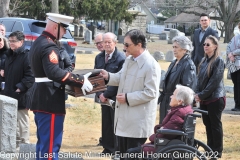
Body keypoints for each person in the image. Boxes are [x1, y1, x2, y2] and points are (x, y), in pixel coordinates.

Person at [28, 13, 93, 160]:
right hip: (49, 100)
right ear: (56, 26)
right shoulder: (49, 45)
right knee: (50, 149)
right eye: (64, 29)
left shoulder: (39, 41)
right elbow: (54, 72)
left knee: (43, 146)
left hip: (42, 99)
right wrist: (80, 80)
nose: (65, 32)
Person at [100, 29, 161, 159]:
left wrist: (128, 98)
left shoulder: (151, 65)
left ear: (139, 45)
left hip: (137, 123)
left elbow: (151, 93)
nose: (124, 47)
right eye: (124, 44)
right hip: (123, 121)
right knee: (122, 156)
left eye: (127, 45)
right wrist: (108, 76)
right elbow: (121, 77)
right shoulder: (129, 60)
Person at [125, 85, 194, 159]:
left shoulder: (179, 113)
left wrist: (153, 137)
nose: (171, 96)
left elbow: (165, 133)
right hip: (167, 143)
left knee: (131, 152)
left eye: (173, 95)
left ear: (179, 101)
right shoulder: (183, 110)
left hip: (164, 146)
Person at [1, 31, 35, 145]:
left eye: (13, 41)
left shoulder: (27, 55)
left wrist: (19, 88)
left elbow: (30, 76)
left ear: (21, 42)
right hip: (9, 94)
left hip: (21, 95)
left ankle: (24, 146)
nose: (11, 43)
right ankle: (14, 145)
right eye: (9, 41)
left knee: (22, 124)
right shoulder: (9, 55)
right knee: (11, 124)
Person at [194, 35, 225, 158]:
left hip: (215, 99)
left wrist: (201, 95)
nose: (205, 46)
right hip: (204, 99)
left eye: (208, 44)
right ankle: (209, 149)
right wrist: (197, 94)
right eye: (204, 44)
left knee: (215, 125)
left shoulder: (218, 61)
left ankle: (217, 152)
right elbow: (198, 80)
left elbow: (214, 82)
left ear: (215, 46)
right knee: (208, 125)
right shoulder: (203, 60)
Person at [94, 32, 125, 154]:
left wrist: (106, 95)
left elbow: (119, 80)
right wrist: (99, 93)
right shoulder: (99, 57)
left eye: (109, 42)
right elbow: (96, 76)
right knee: (105, 122)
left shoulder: (121, 58)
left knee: (114, 122)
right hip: (102, 95)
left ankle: (115, 149)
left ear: (115, 43)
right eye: (104, 42)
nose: (106, 44)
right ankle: (107, 147)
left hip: (114, 96)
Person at [159, 35, 196, 123]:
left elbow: (186, 89)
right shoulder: (174, 62)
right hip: (166, 100)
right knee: (162, 127)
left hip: (177, 104)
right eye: (173, 47)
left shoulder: (188, 65)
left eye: (176, 47)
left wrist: (176, 103)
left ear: (185, 49)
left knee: (171, 130)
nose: (174, 49)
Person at [226, 31, 240, 111]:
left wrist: (233, 53)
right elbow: (228, 47)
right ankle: (237, 104)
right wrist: (229, 54)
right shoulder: (235, 37)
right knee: (236, 84)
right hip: (234, 64)